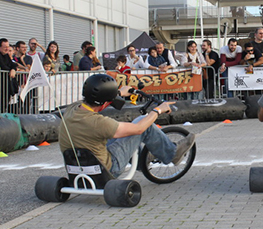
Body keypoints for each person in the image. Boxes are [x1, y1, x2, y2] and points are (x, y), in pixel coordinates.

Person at [58, 74, 195, 178]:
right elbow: (139, 129)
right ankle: (173, 154)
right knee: (142, 123)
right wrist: (158, 110)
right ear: (106, 102)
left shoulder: (72, 109)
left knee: (121, 131)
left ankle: (144, 159)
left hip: (75, 168)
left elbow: (98, 101)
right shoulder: (98, 122)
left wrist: (118, 93)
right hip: (108, 169)